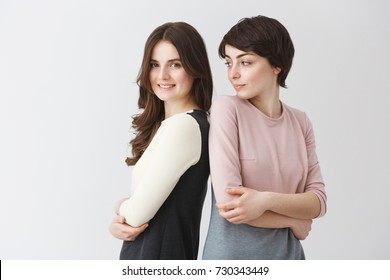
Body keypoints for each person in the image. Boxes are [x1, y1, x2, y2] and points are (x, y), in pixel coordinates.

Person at [202, 15, 327, 260]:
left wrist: (264, 200)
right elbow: (230, 205)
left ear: (276, 65)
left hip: (289, 257)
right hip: (233, 261)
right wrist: (293, 221)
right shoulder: (227, 110)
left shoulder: (300, 122)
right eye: (229, 63)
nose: (233, 74)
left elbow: (318, 202)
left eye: (245, 62)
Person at [109, 22, 213, 260]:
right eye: (154, 65)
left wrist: (120, 206)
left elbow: (136, 214)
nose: (162, 75)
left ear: (195, 68)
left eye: (175, 64)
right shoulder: (172, 126)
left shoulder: (184, 126)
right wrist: (120, 223)